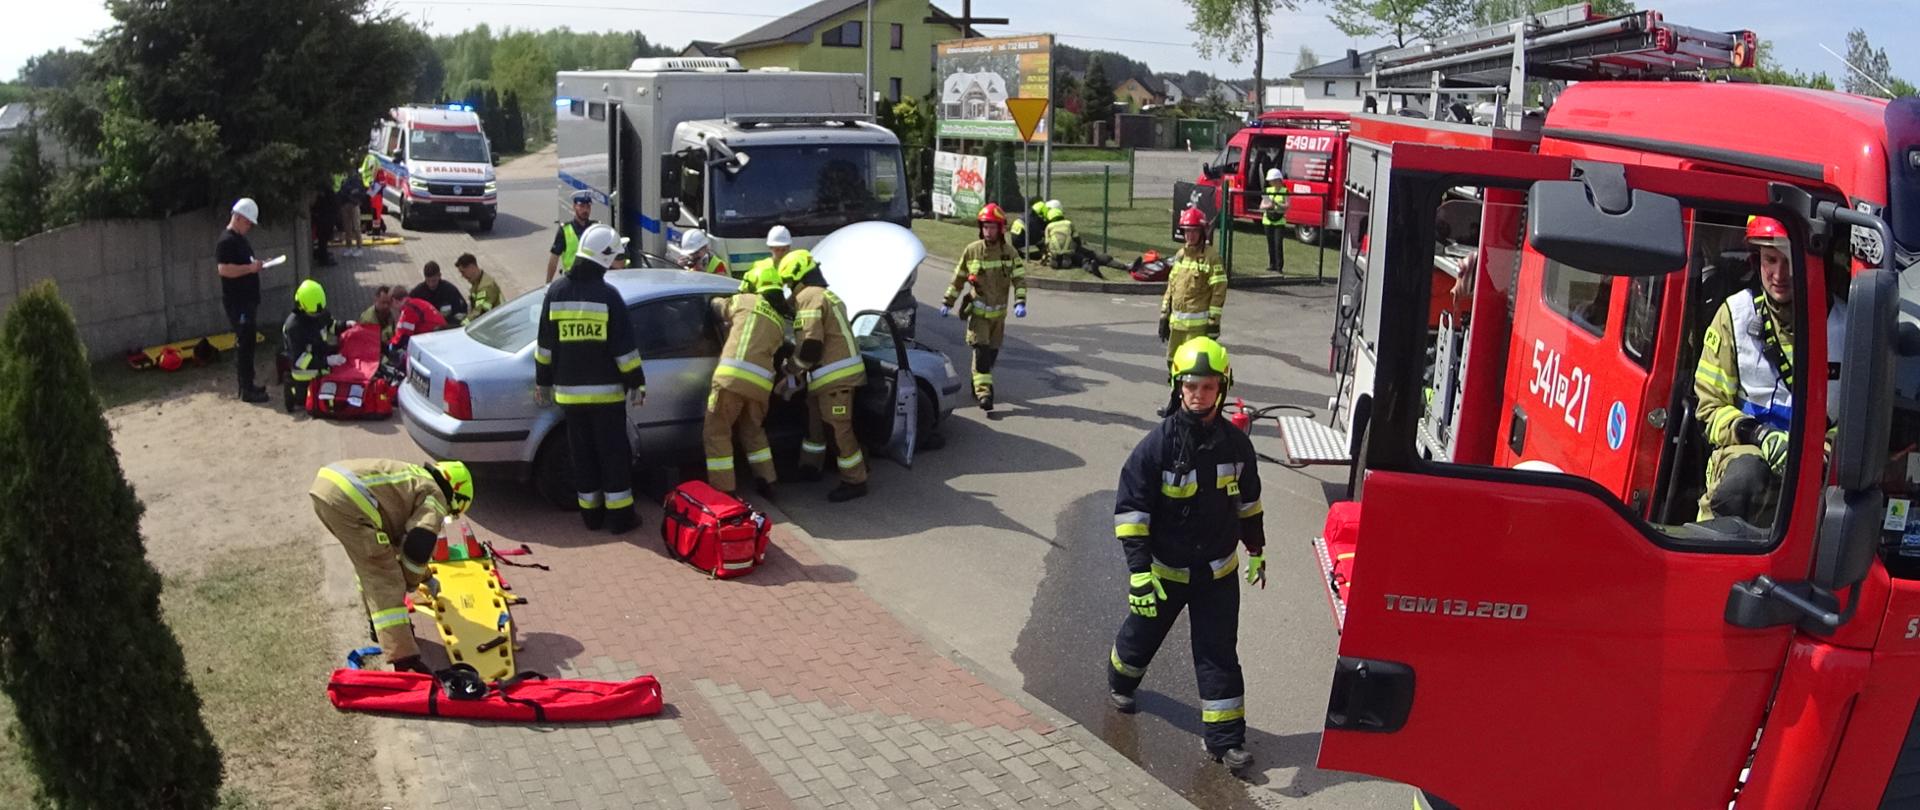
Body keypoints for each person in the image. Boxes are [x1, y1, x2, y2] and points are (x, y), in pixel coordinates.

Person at [1107, 337, 1264, 773]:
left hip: (1218, 573)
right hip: (1165, 571)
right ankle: (1120, 679)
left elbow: (1249, 503)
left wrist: (1257, 549)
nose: (1199, 394)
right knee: (1141, 638)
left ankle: (1225, 741)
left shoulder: (1237, 446)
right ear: (1178, 386)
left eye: (1209, 386)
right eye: (1191, 386)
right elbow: (1132, 514)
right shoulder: (1155, 447)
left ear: (1223, 388)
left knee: (1218, 653)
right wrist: (1139, 573)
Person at [1693, 215, 1845, 523]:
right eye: (1770, 260)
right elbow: (1709, 407)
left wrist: (1824, 450)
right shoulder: (1734, 315)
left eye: (1790, 260)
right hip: (1746, 449)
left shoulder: (1849, 325)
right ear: (1755, 259)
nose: (1779, 274)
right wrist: (1760, 435)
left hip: (1820, 464)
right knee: (1744, 480)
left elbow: (1862, 418)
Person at [309, 458, 474, 674]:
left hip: (329, 488)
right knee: (387, 576)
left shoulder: (415, 478)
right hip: (348, 500)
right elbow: (418, 544)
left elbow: (402, 542)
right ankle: (405, 659)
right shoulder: (436, 495)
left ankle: (379, 629)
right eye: (451, 513)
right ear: (455, 493)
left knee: (371, 564)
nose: (445, 518)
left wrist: (426, 577)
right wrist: (412, 581)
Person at [536, 224, 647, 533]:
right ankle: (620, 519)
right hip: (607, 397)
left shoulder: (555, 293)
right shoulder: (609, 297)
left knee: (582, 457)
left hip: (570, 398)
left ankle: (591, 517)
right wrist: (637, 383)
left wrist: (542, 382)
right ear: (603, 257)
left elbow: (544, 347)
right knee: (613, 457)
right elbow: (624, 352)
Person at [781, 249, 869, 502]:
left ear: (797, 278)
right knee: (815, 425)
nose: (789, 289)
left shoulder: (809, 297)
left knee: (838, 429)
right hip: (828, 377)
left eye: (789, 282)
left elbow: (810, 346)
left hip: (835, 378)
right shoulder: (825, 294)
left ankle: (856, 480)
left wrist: (791, 370)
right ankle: (810, 467)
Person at [705, 263, 791, 497]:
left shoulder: (745, 301)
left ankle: (724, 490)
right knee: (753, 431)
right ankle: (768, 481)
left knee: (717, 432)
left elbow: (717, 307)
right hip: (760, 386)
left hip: (731, 381)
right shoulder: (779, 322)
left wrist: (713, 301)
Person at [941, 203, 1027, 411]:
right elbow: (959, 279)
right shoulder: (972, 251)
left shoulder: (1009, 253)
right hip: (978, 315)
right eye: (985, 227)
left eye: (992, 227)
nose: (988, 231)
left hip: (999, 318)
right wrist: (947, 301)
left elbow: (1019, 280)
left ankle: (978, 382)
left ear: (1001, 229)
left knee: (990, 356)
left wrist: (1020, 302)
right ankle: (984, 393)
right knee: (981, 351)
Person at [216, 197, 271, 403]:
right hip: (237, 302)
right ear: (238, 218)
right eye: (247, 222)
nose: (249, 227)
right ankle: (245, 388)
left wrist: (257, 265)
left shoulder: (240, 240)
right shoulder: (226, 241)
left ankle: (249, 383)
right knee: (244, 343)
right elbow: (223, 269)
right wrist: (250, 268)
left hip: (247, 300)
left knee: (249, 342)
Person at [1160, 207, 1227, 361]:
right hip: (1176, 326)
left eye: (1194, 231)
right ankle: (1174, 386)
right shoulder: (1181, 255)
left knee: (1192, 365)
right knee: (1172, 361)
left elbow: (1219, 291)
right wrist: (1164, 315)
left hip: (1197, 328)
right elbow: (1171, 286)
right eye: (1187, 231)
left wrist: (1213, 322)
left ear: (1202, 232)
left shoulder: (1212, 257)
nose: (1190, 235)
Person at [283, 279, 342, 413]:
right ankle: (291, 388)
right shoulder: (294, 327)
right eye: (313, 314)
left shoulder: (318, 310)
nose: (316, 316)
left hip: (320, 359)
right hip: (304, 373)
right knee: (307, 402)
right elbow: (300, 361)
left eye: (318, 313)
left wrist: (345, 326)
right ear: (301, 306)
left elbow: (330, 325)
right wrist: (327, 361)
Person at [546, 190, 598, 284]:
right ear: (574, 207)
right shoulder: (565, 230)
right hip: (572, 281)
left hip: (593, 279)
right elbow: (554, 258)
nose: (585, 210)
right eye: (581, 206)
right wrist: (548, 283)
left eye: (588, 207)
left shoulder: (596, 228)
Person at [389, 287, 447, 354]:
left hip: (432, 338)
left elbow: (404, 335)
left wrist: (392, 345)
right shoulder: (416, 302)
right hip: (440, 335)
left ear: (394, 300)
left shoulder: (408, 309)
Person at [411, 261, 469, 325]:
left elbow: (461, 312)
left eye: (434, 281)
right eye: (428, 281)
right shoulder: (418, 292)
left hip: (447, 328)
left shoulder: (450, 291)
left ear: (439, 276)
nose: (431, 284)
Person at [739, 226, 794, 291]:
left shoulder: (795, 265)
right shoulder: (759, 265)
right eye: (777, 249)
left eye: (784, 249)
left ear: (789, 248)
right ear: (771, 248)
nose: (780, 252)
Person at [455, 253, 503, 318]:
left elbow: (479, 313)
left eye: (463, 272)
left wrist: (463, 324)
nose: (462, 276)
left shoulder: (485, 286)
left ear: (471, 267)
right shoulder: (478, 281)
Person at [1260, 168, 1288, 274]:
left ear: (1278, 180)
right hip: (1268, 220)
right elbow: (1262, 205)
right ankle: (1272, 264)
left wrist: (1276, 204)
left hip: (1279, 221)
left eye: (1272, 181)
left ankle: (1279, 266)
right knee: (1270, 243)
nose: (1270, 183)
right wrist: (1269, 205)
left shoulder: (1285, 191)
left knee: (1278, 243)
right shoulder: (1268, 191)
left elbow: (1287, 206)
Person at [336, 169, 365, 257]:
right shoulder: (345, 180)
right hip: (345, 205)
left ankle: (359, 248)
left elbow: (360, 192)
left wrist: (355, 199)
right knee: (347, 228)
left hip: (354, 205)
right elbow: (341, 192)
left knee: (356, 228)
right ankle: (349, 248)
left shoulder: (357, 181)